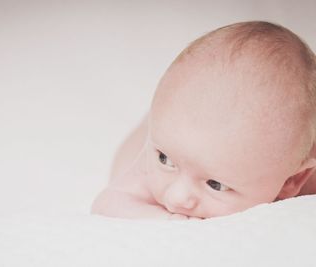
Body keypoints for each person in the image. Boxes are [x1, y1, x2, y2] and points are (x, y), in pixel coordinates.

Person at [91, 21, 316, 220]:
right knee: (125, 166)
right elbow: (106, 204)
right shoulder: (157, 162)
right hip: (151, 138)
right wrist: (166, 221)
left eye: (215, 185)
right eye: (164, 159)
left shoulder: (295, 171)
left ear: (291, 181)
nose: (176, 197)